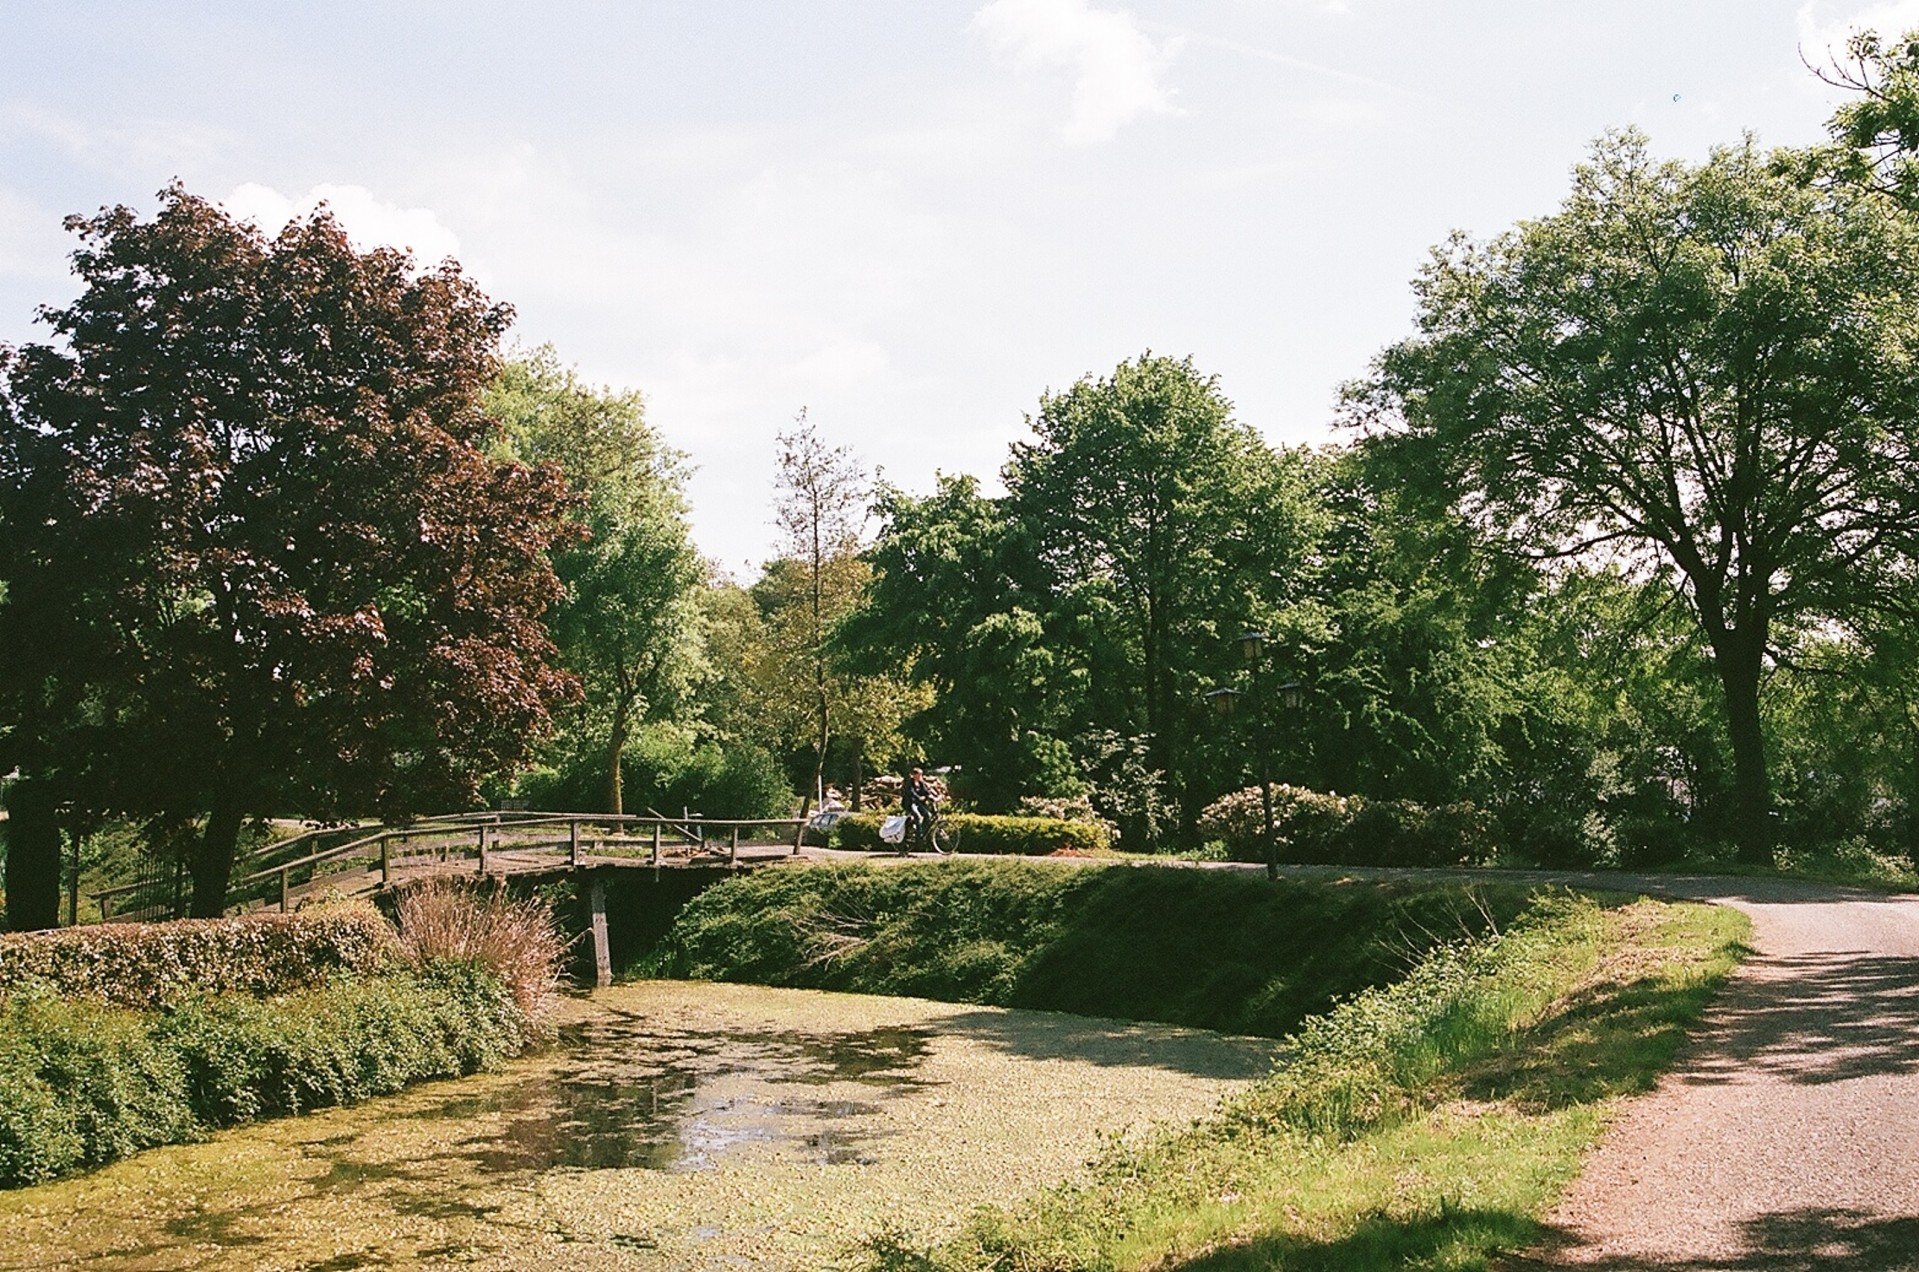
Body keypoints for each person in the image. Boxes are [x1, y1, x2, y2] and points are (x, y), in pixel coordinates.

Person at [902, 766, 940, 852]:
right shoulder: (909, 783)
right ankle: (918, 836)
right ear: (914, 775)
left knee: (927, 815)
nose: (920, 777)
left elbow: (926, 792)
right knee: (917, 816)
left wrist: (933, 798)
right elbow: (911, 792)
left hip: (918, 803)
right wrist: (919, 797)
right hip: (910, 803)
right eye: (919, 775)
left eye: (921, 775)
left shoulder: (921, 783)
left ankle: (921, 832)